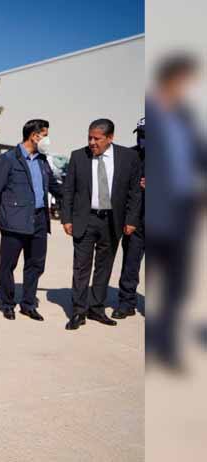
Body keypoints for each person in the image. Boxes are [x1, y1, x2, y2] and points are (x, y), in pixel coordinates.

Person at [145, 54, 207, 367]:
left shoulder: (186, 116)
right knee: (151, 275)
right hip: (156, 211)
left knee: (178, 283)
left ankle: (167, 341)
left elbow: (200, 155)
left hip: (183, 211)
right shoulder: (151, 115)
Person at [62, 119, 141, 330]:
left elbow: (134, 193)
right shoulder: (78, 156)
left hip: (112, 221)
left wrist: (131, 220)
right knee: (81, 267)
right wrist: (67, 218)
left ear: (110, 138)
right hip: (85, 220)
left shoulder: (128, 157)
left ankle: (96, 308)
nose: (91, 142)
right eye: (89, 137)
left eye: (97, 138)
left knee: (104, 267)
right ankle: (78, 311)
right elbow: (68, 189)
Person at [0, 119, 62, 322]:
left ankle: (28, 304)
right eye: (45, 134)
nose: (47, 139)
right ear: (34, 135)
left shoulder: (42, 160)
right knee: (8, 265)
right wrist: (4, 215)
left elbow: (54, 186)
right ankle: (7, 303)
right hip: (14, 221)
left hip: (39, 219)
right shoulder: (9, 159)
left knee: (36, 264)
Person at [114, 118, 145, 319]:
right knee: (130, 264)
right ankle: (127, 303)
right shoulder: (130, 155)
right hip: (136, 221)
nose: (143, 138)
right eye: (140, 134)